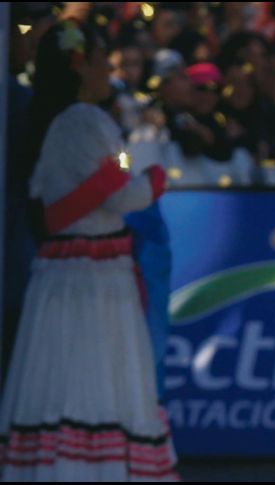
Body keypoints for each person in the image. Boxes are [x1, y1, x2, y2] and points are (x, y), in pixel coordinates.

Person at [0, 20, 177, 481]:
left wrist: (130, 171)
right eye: (102, 60)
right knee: (96, 376)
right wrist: (155, 176)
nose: (109, 71)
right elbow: (123, 192)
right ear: (80, 64)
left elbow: (107, 179)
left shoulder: (55, 120)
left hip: (64, 272)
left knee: (61, 378)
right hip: (95, 279)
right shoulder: (87, 120)